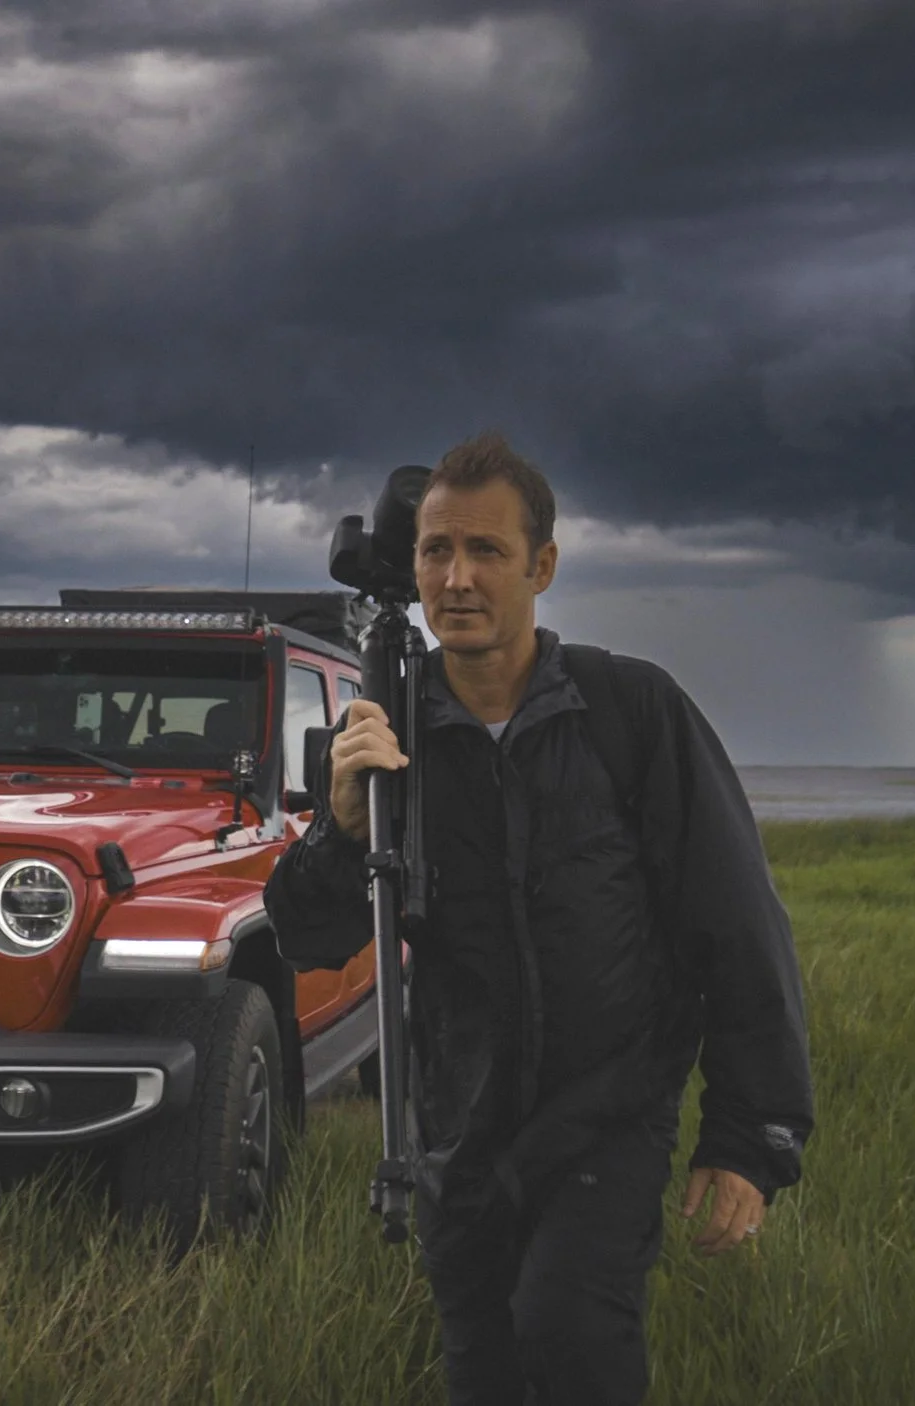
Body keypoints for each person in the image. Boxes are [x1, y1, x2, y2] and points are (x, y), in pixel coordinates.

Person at [263, 432, 814, 1406]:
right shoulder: (382, 737)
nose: (457, 577)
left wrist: (749, 1135)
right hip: (456, 1128)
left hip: (605, 1116)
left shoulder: (628, 709)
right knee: (481, 1368)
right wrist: (343, 828)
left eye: (486, 550)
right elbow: (310, 938)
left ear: (542, 566)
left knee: (569, 1336)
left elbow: (734, 920)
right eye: (436, 550)